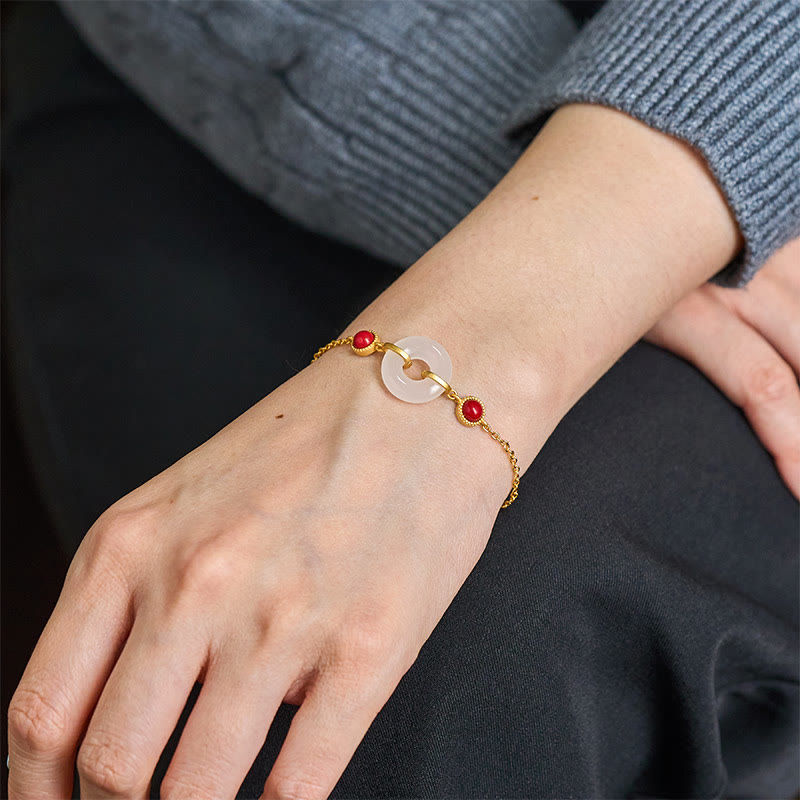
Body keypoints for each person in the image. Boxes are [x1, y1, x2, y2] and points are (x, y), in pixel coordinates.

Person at [5, 1, 798, 798]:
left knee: (513, 627)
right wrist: (611, 204)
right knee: (289, 684)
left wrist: (642, 194)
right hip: (225, 93)